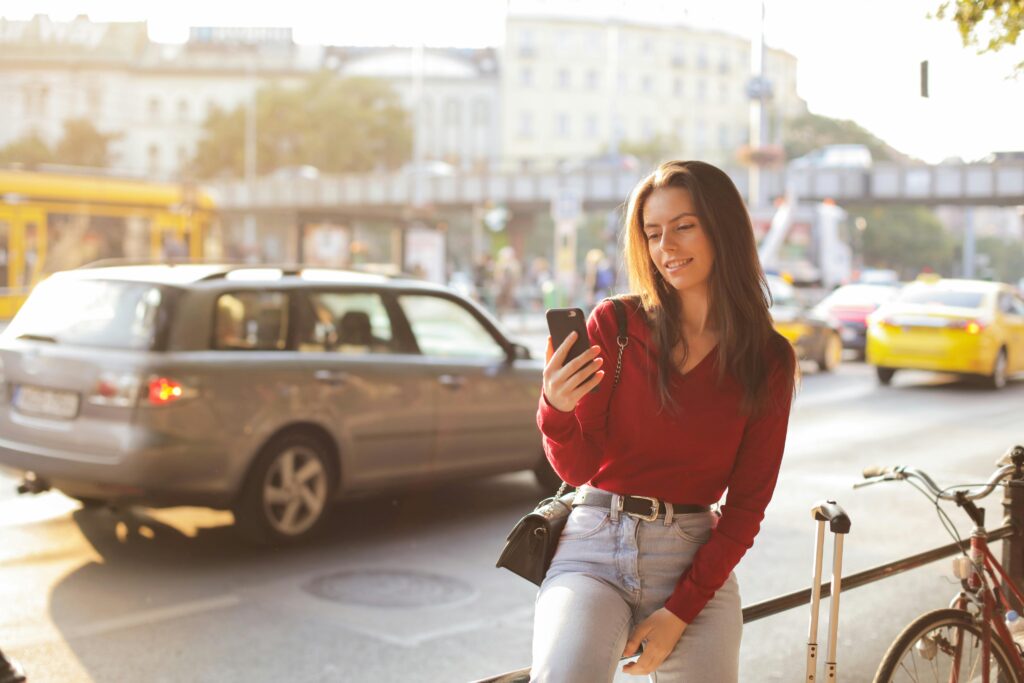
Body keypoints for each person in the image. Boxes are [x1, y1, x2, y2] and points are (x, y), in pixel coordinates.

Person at [533, 160, 797, 682]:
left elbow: (746, 506)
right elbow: (581, 466)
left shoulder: (768, 358)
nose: (666, 247)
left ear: (722, 226)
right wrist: (555, 411)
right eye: (653, 234)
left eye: (684, 226)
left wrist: (680, 613)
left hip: (695, 556)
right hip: (596, 544)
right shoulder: (618, 323)